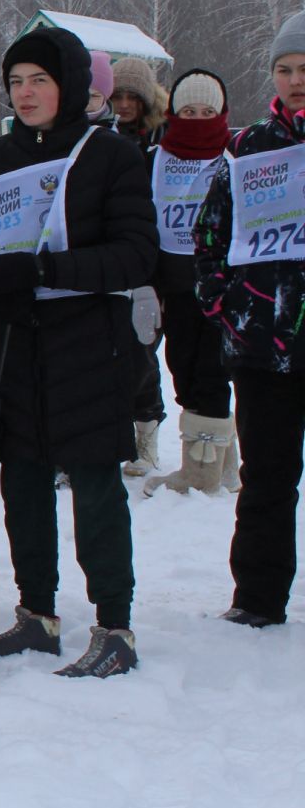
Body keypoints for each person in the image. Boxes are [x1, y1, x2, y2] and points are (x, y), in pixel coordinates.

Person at [0, 25, 157, 677]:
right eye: (16, 81)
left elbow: (135, 254)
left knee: (95, 484)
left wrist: (45, 272)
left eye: (39, 79)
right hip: (13, 345)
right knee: (22, 484)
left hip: (88, 347)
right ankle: (35, 614)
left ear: (69, 83)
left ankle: (114, 626)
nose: (26, 92)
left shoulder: (110, 156)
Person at [192, 11, 305, 627]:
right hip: (263, 341)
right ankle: (258, 598)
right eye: (284, 69)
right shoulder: (247, 148)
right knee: (267, 475)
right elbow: (209, 238)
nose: (294, 80)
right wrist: (223, 304)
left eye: (304, 69)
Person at [143, 69, 237, 496]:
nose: (197, 119)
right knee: (181, 369)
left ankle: (203, 477)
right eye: (188, 111)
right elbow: (141, 224)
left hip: (224, 285)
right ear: (173, 113)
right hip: (174, 286)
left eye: (206, 112)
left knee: (213, 373)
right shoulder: (154, 158)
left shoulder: (236, 157)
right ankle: (223, 462)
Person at [111, 56, 171, 473]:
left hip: (156, 260)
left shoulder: (165, 139)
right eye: (119, 95)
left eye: (133, 96)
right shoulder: (105, 135)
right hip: (115, 257)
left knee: (143, 351)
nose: (125, 103)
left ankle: (146, 435)